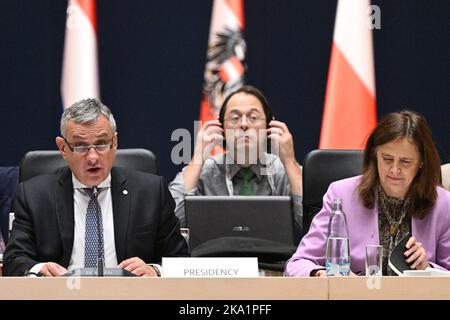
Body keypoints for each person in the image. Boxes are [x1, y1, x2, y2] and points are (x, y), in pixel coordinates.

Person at [3, 98, 188, 277]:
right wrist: (40, 268)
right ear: (63, 148)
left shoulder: (151, 192)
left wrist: (154, 270)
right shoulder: (34, 195)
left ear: (114, 143)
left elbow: (179, 260)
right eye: (81, 146)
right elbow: (14, 260)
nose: (92, 157)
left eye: (101, 144)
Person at [286, 110, 450, 277]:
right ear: (374, 154)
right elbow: (297, 264)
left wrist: (426, 269)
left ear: (422, 162)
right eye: (387, 159)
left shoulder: (443, 204)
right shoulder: (341, 196)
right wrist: (323, 275)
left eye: (405, 162)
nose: (394, 169)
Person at [169, 85, 303, 231]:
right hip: (215, 254)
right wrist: (197, 159)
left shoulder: (283, 170)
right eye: (235, 118)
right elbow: (171, 223)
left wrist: (290, 162)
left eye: (253, 117)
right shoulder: (205, 171)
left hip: (277, 254)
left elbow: (312, 225)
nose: (244, 124)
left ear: (268, 127)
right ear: (221, 129)